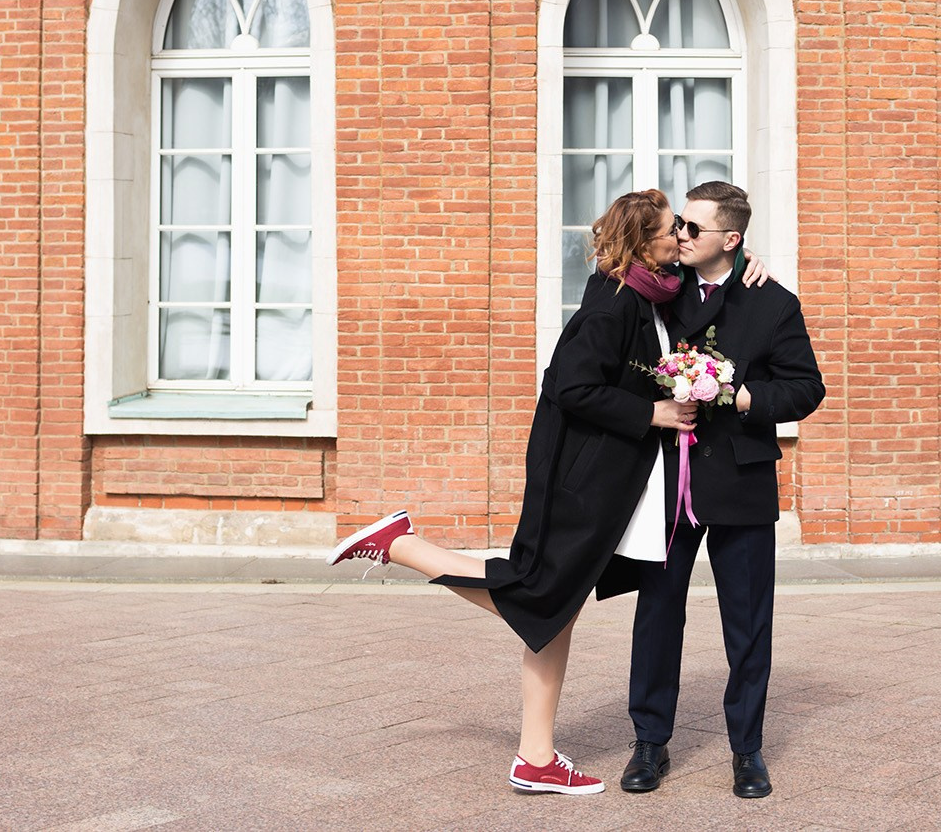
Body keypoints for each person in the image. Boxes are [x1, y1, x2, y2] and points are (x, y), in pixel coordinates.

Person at [327, 188, 698, 796]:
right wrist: (652, 413)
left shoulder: (647, 293)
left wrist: (745, 263)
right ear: (644, 240)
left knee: (558, 605)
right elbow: (569, 386)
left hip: (600, 475)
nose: (680, 236)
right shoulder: (615, 304)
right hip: (578, 478)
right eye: (670, 228)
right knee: (543, 596)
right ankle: (403, 546)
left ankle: (536, 757)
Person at [604, 180, 825, 800]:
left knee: (748, 623)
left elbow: (807, 388)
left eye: (693, 229)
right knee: (656, 614)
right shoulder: (657, 290)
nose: (680, 236)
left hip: (741, 478)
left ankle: (747, 751)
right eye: (680, 226)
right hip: (664, 480)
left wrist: (745, 394)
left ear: (731, 239)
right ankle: (650, 742)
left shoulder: (773, 301)